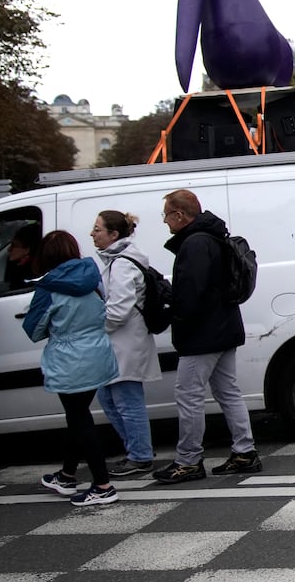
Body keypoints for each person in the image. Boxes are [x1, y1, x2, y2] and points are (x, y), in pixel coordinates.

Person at [152, 189, 262, 483]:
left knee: (188, 396)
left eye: (166, 215)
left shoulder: (195, 243)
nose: (165, 222)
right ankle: (244, 452)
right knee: (228, 392)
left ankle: (188, 461)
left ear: (179, 215)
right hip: (224, 327)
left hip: (202, 334)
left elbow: (191, 294)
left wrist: (173, 309)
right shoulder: (213, 237)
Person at [25, 231, 121, 507]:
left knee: (79, 419)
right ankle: (67, 475)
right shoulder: (93, 277)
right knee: (78, 416)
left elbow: (34, 329)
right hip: (98, 353)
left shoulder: (47, 287)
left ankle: (103, 485)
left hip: (69, 358)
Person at [90, 210, 160, 477]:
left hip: (125, 343)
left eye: (98, 229)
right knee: (109, 397)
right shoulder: (117, 261)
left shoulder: (122, 264)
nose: (93, 234)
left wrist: (97, 327)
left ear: (114, 234)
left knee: (126, 401)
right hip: (122, 343)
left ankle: (140, 455)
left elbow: (118, 310)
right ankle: (136, 451)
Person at [4, 224, 40, 290]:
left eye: (14, 245)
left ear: (27, 250)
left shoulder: (31, 272)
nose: (9, 249)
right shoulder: (15, 264)